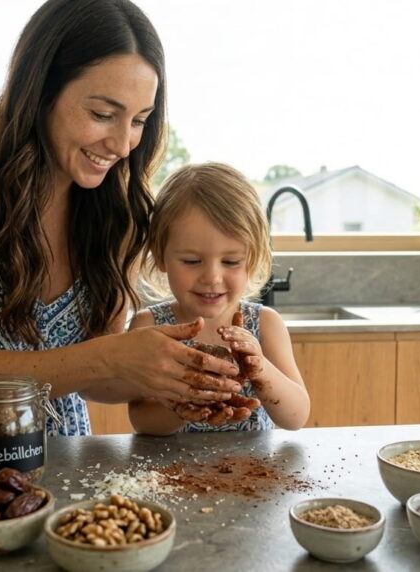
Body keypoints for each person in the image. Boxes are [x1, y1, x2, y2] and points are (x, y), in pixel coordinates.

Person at [0, 0, 242, 441]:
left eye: (139, 120)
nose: (124, 144)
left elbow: (95, 381)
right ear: (41, 90)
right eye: (103, 115)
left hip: (61, 456)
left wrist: (185, 382)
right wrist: (116, 355)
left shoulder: (118, 211)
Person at [128, 163, 310, 435]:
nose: (212, 277)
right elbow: (142, 421)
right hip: (172, 472)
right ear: (160, 254)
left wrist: (261, 369)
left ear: (253, 258)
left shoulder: (264, 325)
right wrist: (183, 405)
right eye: (191, 261)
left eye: (231, 261)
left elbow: (296, 417)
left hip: (252, 472)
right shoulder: (151, 328)